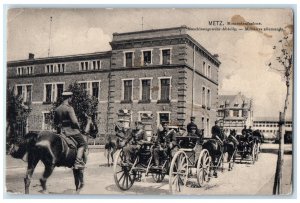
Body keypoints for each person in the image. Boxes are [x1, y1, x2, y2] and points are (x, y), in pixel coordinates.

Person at [54, 92, 87, 170]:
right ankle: (77, 162)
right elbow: (74, 121)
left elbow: (55, 122)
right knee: (83, 144)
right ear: (69, 98)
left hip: (62, 132)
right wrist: (78, 127)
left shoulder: (57, 109)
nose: (71, 99)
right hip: (72, 131)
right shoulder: (69, 108)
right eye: (71, 98)